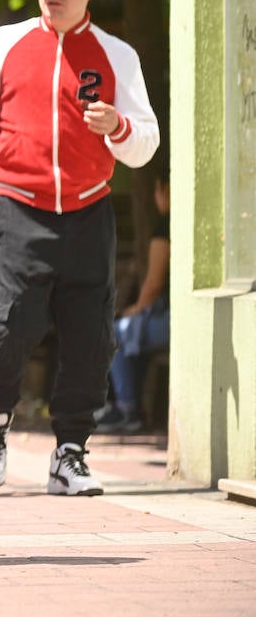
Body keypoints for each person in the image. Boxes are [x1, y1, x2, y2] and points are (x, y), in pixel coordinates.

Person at [0, 0, 160, 496]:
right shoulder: (4, 44)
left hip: (91, 208)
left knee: (91, 335)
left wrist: (118, 127)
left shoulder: (118, 55)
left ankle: (70, 453)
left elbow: (146, 144)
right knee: (14, 322)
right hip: (19, 203)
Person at [96, 171, 170, 433]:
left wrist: (135, 310)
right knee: (131, 335)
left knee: (119, 331)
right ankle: (129, 406)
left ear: (165, 190)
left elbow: (154, 283)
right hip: (172, 317)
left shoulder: (166, 227)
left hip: (173, 321)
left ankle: (126, 409)